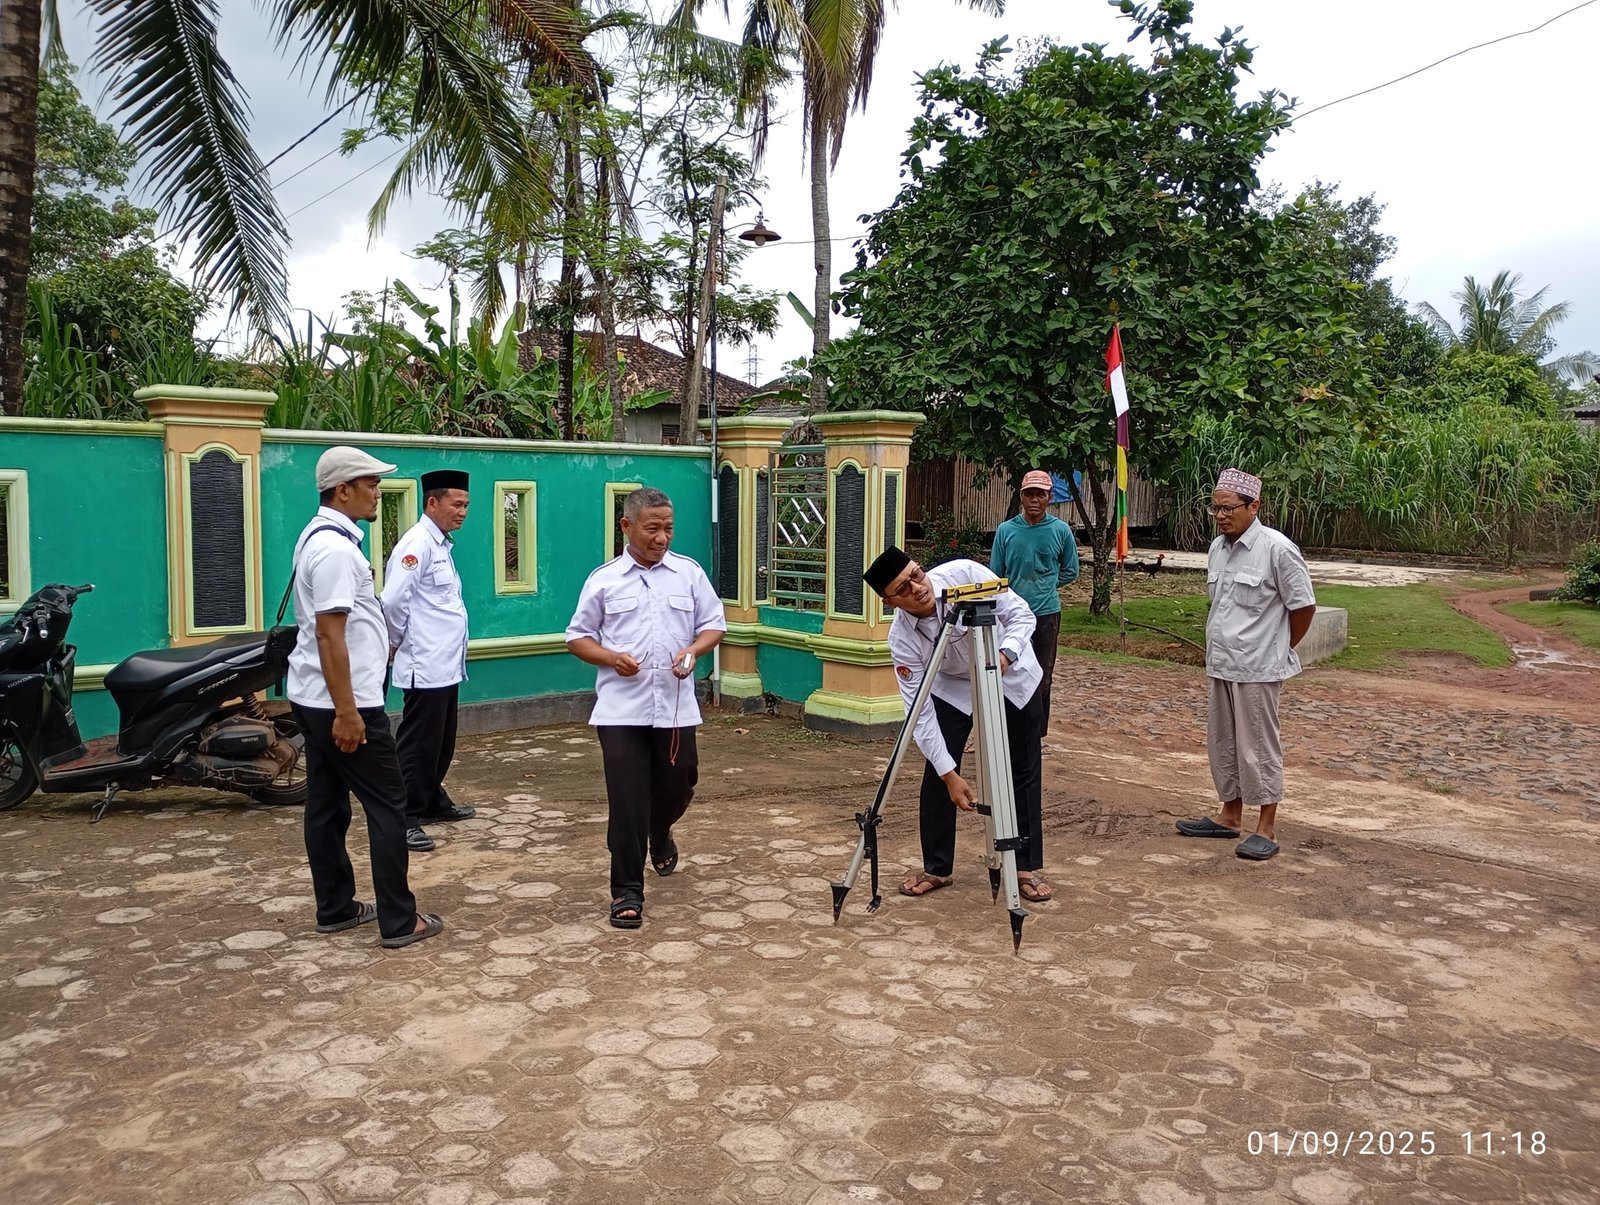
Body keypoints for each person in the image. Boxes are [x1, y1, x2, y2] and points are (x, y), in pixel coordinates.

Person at [287, 446, 443, 948]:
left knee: (328, 804)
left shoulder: (321, 537)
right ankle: (400, 919)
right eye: (371, 484)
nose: (378, 492)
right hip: (342, 703)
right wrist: (349, 712)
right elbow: (330, 635)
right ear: (343, 490)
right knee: (389, 804)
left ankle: (335, 907)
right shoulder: (334, 551)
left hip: (314, 695)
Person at [564, 487, 726, 929]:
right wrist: (612, 658)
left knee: (679, 785)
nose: (661, 537)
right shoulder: (603, 579)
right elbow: (577, 637)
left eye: (668, 528)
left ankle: (661, 830)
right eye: (652, 528)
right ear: (626, 527)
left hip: (675, 708)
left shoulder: (688, 574)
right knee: (627, 801)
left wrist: (693, 651)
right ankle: (626, 893)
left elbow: (714, 624)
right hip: (620, 711)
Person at [864, 546, 1053, 903]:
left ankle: (1024, 866)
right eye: (902, 589)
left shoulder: (965, 575)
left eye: (916, 575)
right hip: (952, 688)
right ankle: (937, 867)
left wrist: (1004, 656)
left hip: (1009, 675)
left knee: (1022, 769)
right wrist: (950, 774)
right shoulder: (901, 641)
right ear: (889, 602)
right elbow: (918, 714)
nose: (917, 588)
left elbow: (1022, 616)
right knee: (938, 772)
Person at [1176, 468, 1317, 862]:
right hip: (1221, 663)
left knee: (1258, 747)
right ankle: (1229, 815)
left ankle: (1266, 827)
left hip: (1258, 668)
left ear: (1254, 506)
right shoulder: (1218, 548)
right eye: (1215, 508)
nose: (1221, 516)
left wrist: (1278, 647)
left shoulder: (1277, 549)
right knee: (1222, 743)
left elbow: (1303, 607)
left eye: (1229, 508)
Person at [381, 469, 476, 853]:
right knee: (418, 743)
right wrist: (393, 644)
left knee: (441, 739)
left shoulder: (441, 544)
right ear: (432, 503)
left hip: (446, 663)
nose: (463, 511)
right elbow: (392, 600)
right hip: (425, 661)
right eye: (457, 504)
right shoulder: (417, 544)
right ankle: (403, 818)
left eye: (466, 505)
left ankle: (432, 799)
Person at [988, 469, 1080, 734]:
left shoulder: (1060, 531)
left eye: (1040, 494)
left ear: (1049, 497)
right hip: (1012, 615)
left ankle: (1036, 733)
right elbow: (996, 573)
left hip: (1046, 613)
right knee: (1005, 670)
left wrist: (1048, 585)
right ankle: (1003, 730)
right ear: (1021, 497)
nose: (1034, 500)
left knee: (1042, 675)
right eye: (1029, 494)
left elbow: (1070, 570)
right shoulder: (1006, 531)